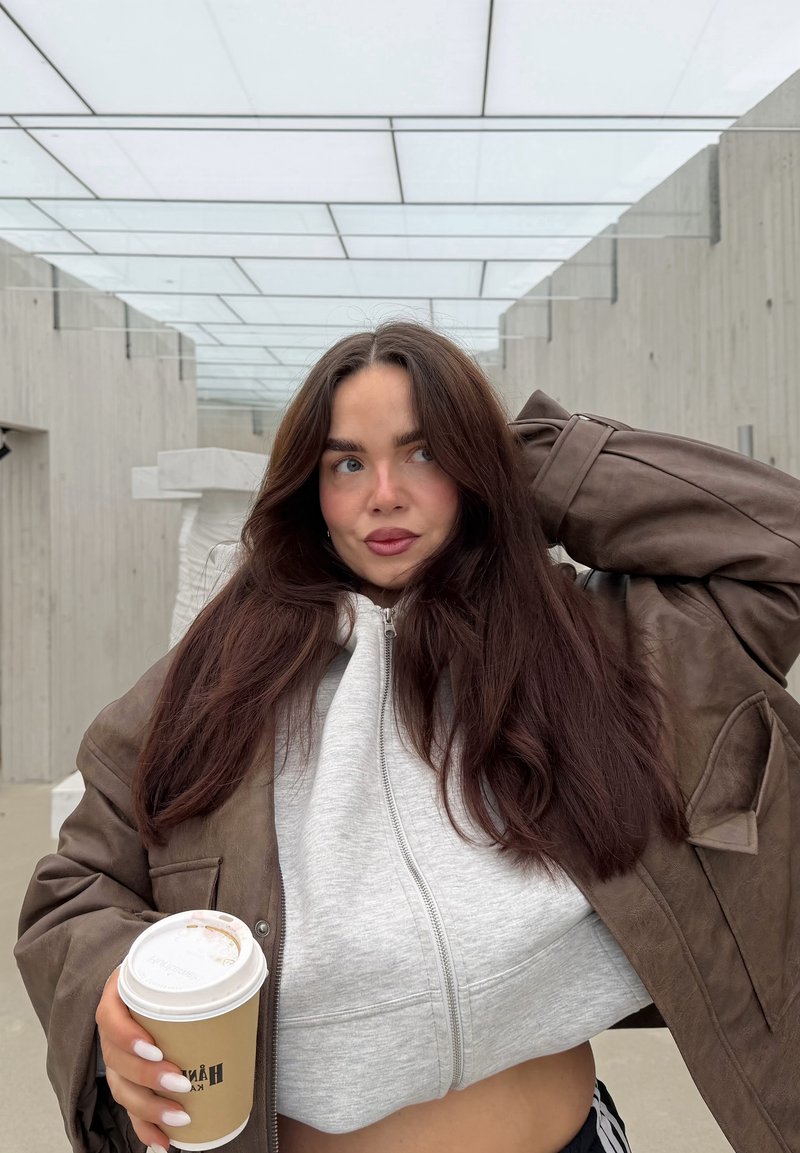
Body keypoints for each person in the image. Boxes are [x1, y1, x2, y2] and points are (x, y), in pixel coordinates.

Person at [15, 322, 800, 1153]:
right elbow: (76, 885)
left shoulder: (595, 645)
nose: (384, 494)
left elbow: (778, 545)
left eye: (424, 453)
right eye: (347, 463)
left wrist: (525, 461)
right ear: (309, 490)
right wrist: (113, 981)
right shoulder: (214, 683)